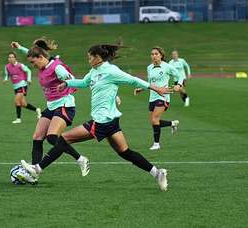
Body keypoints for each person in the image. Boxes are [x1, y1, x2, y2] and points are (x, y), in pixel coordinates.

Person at [21, 44, 171, 191]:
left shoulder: (111, 70)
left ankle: (38, 169)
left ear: (98, 57)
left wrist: (156, 88)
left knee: (63, 139)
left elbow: (133, 80)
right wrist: (67, 83)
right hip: (110, 121)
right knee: (125, 152)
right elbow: (84, 82)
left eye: (90, 58)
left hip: (102, 121)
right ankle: (157, 173)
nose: (88, 60)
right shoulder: (94, 71)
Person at [11, 38, 89, 183]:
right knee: (37, 137)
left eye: (33, 62)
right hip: (52, 106)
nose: (33, 66)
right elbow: (32, 53)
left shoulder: (57, 68)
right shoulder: (42, 61)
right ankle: (33, 173)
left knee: (52, 137)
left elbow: (73, 79)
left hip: (65, 105)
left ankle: (80, 159)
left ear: (41, 57)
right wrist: (20, 47)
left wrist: (67, 82)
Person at [134, 46, 184, 151]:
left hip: (163, 97)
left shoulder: (167, 66)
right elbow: (151, 83)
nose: (154, 56)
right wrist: (141, 89)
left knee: (155, 119)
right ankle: (172, 123)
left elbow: (180, 76)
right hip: (152, 97)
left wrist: (178, 85)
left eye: (156, 54)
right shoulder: (149, 67)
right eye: (152, 54)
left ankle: (156, 144)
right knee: (154, 121)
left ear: (161, 55)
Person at [3, 51, 41, 124]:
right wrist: (5, 79)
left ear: (15, 58)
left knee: (16, 101)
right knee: (23, 104)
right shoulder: (7, 66)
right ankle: (37, 110)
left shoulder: (20, 65)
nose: (10, 58)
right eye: (9, 57)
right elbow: (7, 75)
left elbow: (28, 71)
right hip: (15, 86)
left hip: (22, 84)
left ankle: (18, 119)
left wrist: (29, 80)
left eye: (12, 57)